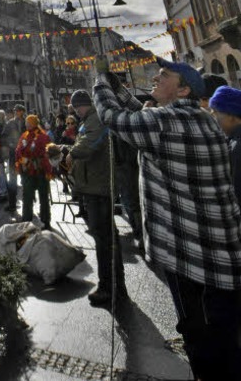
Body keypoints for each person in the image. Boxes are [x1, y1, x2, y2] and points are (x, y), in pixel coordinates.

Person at [93, 57, 241, 379]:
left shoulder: (164, 124)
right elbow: (141, 113)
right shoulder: (201, 118)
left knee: (201, 333)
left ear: (184, 89)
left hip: (191, 256)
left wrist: (101, 80)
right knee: (224, 330)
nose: (156, 79)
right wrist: (120, 89)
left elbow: (112, 117)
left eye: (165, 76)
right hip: (219, 251)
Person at [68, 88, 127, 307]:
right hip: (93, 185)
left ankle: (110, 288)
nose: (75, 110)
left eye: (76, 106)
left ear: (84, 104)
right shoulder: (89, 119)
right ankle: (113, 286)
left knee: (105, 241)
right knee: (104, 238)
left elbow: (88, 146)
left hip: (99, 187)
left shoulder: (96, 120)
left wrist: (70, 151)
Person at [15, 114, 52, 228]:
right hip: (28, 171)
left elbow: (48, 152)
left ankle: (45, 221)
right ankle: (26, 221)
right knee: (27, 196)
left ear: (34, 123)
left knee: (43, 196)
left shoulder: (43, 136)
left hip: (40, 170)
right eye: (26, 122)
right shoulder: (24, 135)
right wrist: (22, 160)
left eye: (29, 122)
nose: (26, 124)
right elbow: (18, 151)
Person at [209, 84, 241, 205]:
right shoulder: (233, 141)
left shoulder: (237, 147)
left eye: (215, 113)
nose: (213, 118)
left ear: (231, 115)